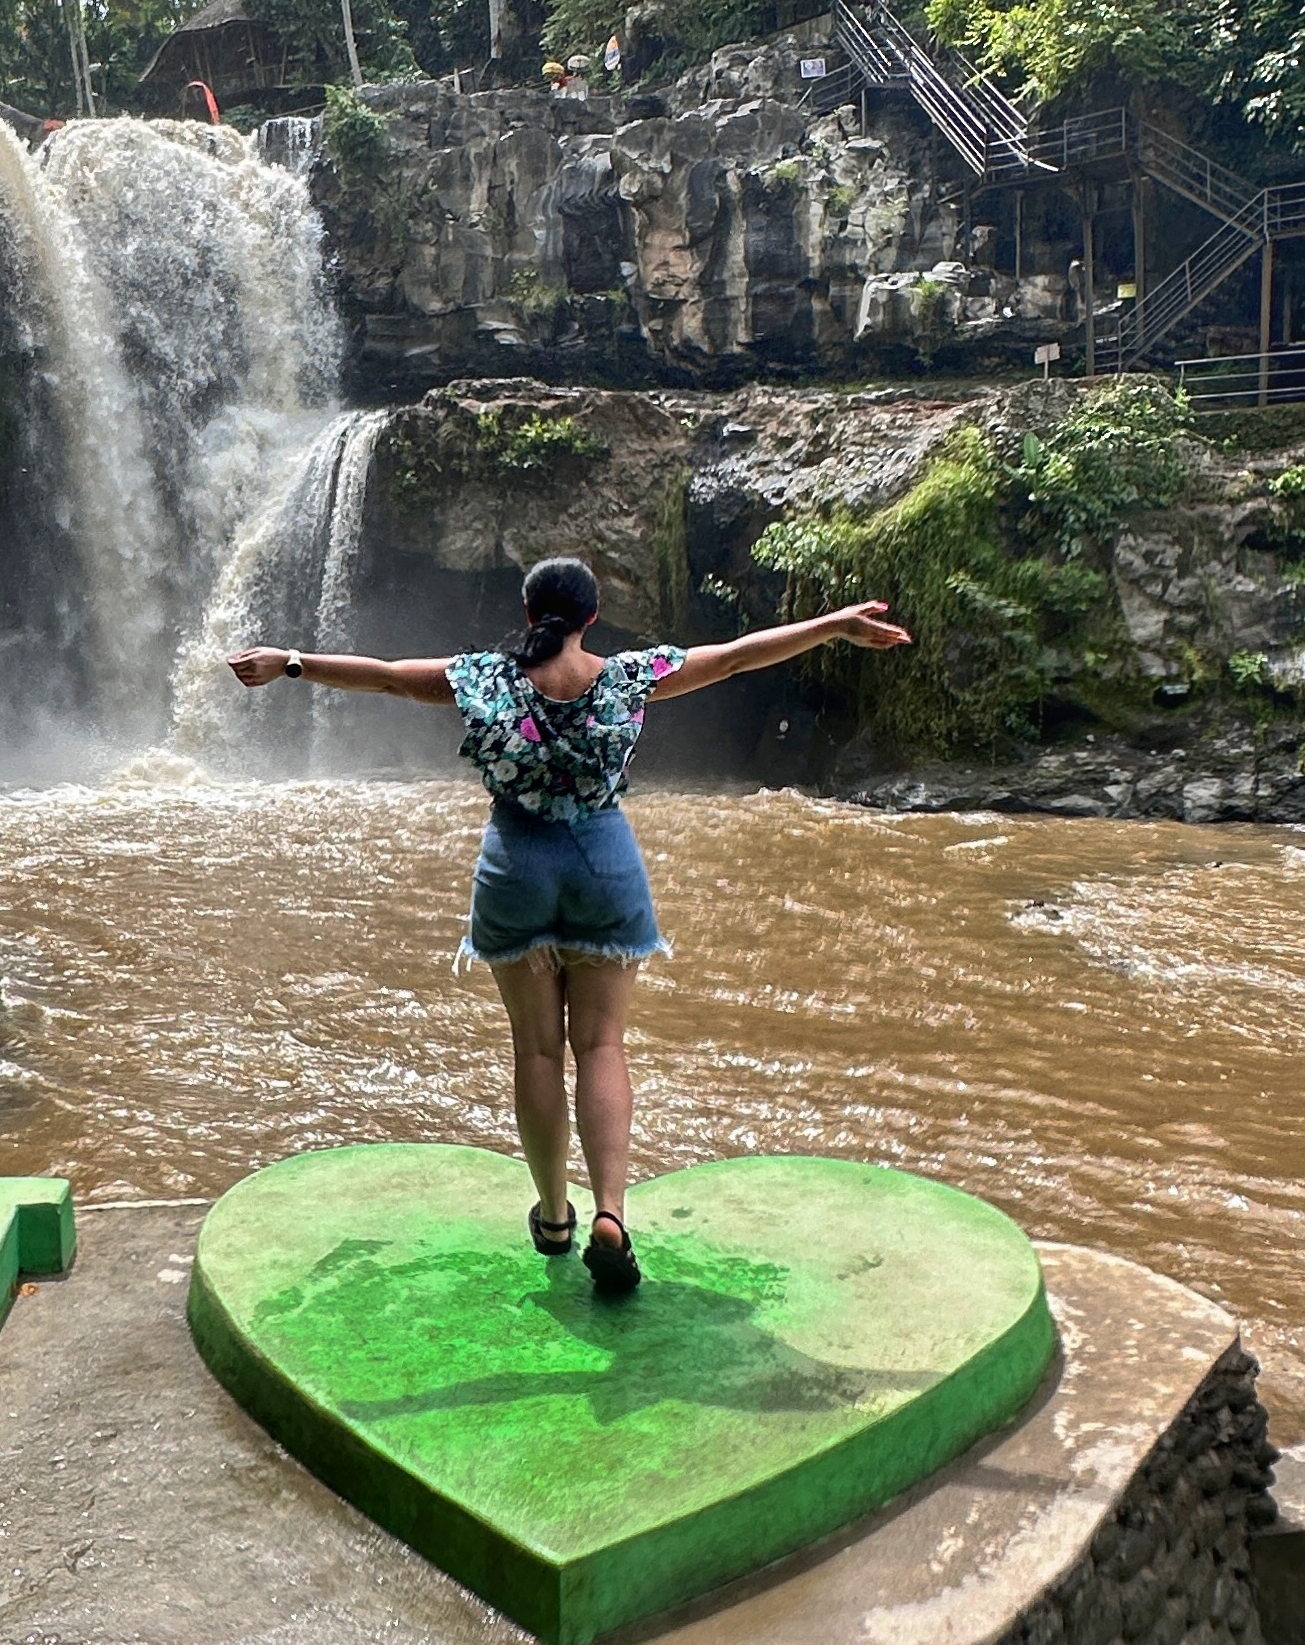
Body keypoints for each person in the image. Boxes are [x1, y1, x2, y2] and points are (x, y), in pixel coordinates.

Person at [228, 556, 911, 1298]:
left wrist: (289, 661)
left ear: (529, 614)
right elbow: (738, 656)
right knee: (601, 1044)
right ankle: (610, 1213)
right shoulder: (629, 677)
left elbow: (388, 677)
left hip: (515, 871)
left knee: (537, 1052)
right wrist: (834, 626)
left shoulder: (482, 679)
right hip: (603, 869)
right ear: (592, 616)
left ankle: (555, 1215)